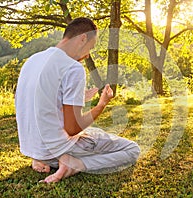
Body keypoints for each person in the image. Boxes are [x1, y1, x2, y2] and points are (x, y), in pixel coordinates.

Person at [15, 17, 140, 183]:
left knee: (98, 134)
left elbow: (40, 102)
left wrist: (79, 97)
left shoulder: (33, 60)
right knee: (132, 149)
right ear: (83, 39)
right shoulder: (73, 68)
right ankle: (75, 164)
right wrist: (102, 105)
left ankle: (43, 159)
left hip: (36, 150)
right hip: (60, 150)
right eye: (90, 47)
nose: (88, 54)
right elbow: (73, 128)